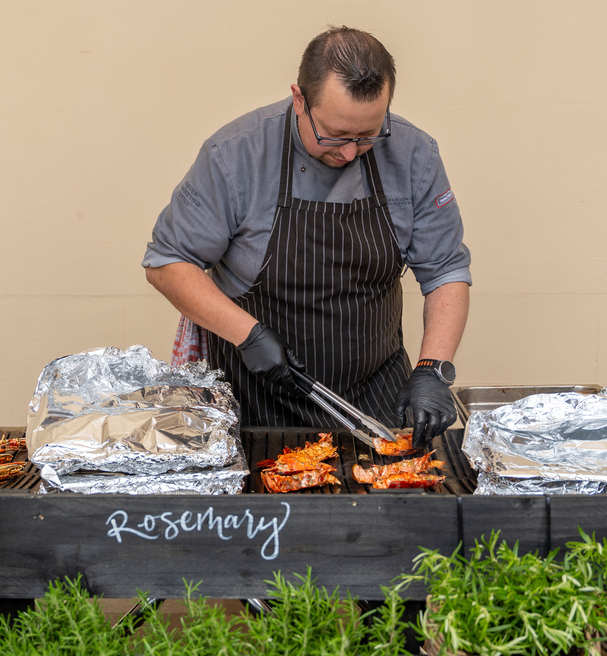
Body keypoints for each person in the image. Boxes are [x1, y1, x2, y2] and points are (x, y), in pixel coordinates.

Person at [143, 25, 471, 449]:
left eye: (368, 135)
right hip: (255, 401)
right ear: (300, 99)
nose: (350, 152)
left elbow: (445, 271)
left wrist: (432, 368)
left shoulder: (415, 154)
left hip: (374, 401)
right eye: (334, 135)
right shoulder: (236, 155)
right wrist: (249, 335)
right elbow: (167, 263)